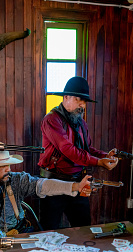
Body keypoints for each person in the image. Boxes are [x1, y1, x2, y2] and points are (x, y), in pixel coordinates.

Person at [0, 148, 93, 247]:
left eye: (9, 164)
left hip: (19, 235)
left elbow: (43, 185)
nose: (9, 169)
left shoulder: (16, 180)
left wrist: (75, 186)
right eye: (3, 166)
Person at [38, 76, 118, 229]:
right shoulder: (51, 120)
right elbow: (68, 150)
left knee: (84, 229)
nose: (82, 105)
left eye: (84, 102)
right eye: (78, 100)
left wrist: (105, 156)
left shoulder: (81, 123)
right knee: (49, 232)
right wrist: (98, 162)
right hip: (54, 183)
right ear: (66, 97)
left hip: (77, 182)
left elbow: (87, 150)